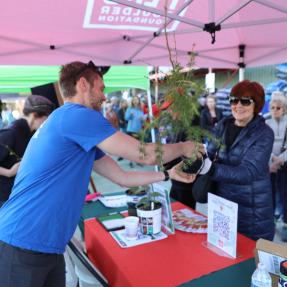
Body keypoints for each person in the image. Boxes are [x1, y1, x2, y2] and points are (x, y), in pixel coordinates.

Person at [0, 60, 200, 287]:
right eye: (101, 88)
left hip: (44, 245)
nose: (104, 97)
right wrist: (184, 147)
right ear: (83, 84)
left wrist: (167, 175)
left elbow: (122, 177)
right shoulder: (77, 116)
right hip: (24, 242)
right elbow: (145, 155)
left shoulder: (68, 122)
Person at [204, 80, 275, 241]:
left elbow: (248, 172)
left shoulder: (264, 134)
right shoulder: (223, 125)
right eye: (234, 100)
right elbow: (210, 153)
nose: (238, 105)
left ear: (256, 105)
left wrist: (210, 169)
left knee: (249, 261)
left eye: (245, 101)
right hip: (223, 204)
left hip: (252, 211)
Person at [0, 95, 54, 207]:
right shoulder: (10, 133)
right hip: (7, 198)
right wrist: (9, 172)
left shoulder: (31, 133)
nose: (47, 122)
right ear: (34, 115)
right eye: (46, 118)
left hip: (23, 193)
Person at [266, 91, 287, 241]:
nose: (274, 110)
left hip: (285, 164)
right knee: (270, 192)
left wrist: (281, 159)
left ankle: (285, 222)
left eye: (278, 108)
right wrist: (271, 160)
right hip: (270, 164)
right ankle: (272, 219)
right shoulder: (266, 122)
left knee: (285, 192)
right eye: (272, 107)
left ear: (284, 108)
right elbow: (263, 144)